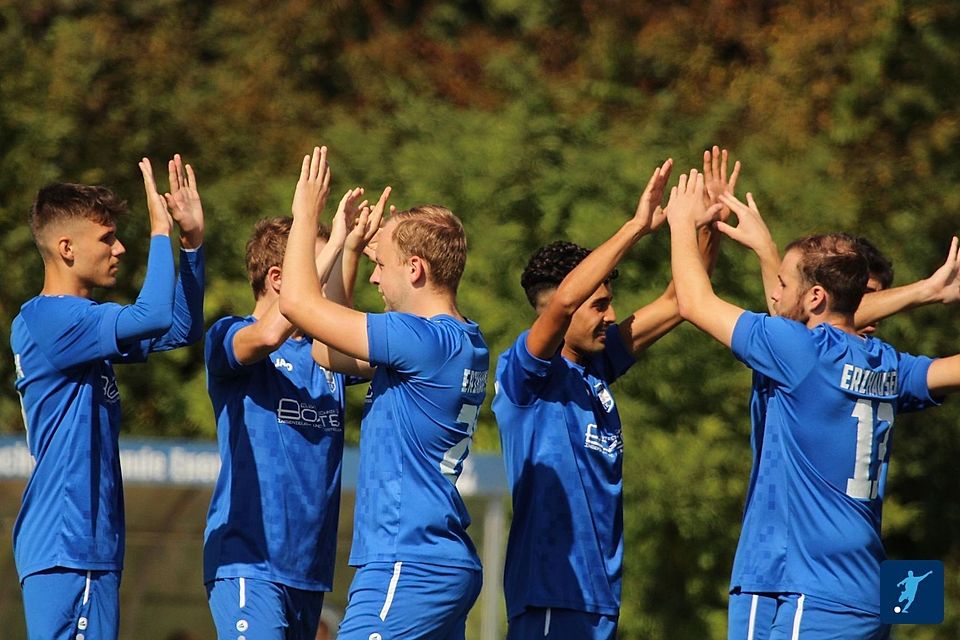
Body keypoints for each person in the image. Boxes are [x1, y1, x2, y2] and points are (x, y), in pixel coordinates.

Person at [666, 170, 960, 639]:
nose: (774, 293)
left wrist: (681, 222)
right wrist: (767, 251)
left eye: (784, 282)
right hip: (869, 590)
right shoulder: (890, 366)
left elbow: (694, 302)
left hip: (808, 588)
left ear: (818, 296)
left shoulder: (803, 355)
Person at [492, 149, 738, 639]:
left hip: (600, 598)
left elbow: (680, 300)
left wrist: (706, 225)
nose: (610, 315)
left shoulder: (597, 367)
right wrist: (636, 227)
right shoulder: (526, 375)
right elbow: (565, 301)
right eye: (599, 304)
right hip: (551, 594)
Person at [278, 146, 489, 640]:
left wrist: (305, 215)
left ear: (415, 269)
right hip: (437, 562)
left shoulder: (418, 338)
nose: (375, 277)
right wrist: (351, 251)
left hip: (407, 562)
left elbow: (295, 303)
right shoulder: (461, 341)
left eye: (382, 264)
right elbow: (327, 353)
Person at [11, 155, 205, 640]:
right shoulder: (48, 318)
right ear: (66, 248)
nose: (119, 248)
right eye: (107, 238)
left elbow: (179, 329)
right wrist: (159, 229)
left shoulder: (84, 325)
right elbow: (153, 315)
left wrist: (191, 244)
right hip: (65, 543)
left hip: (92, 546)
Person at [203, 181, 376, 640]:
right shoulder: (229, 335)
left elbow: (343, 328)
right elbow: (267, 335)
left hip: (309, 571)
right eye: (315, 266)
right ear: (280, 279)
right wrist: (325, 236)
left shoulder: (322, 354)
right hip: (248, 561)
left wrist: (349, 247)